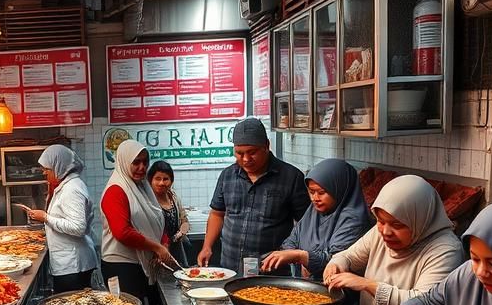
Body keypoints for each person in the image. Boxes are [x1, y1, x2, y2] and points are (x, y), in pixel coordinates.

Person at [324, 174, 465, 305]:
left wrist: (367, 285)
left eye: (397, 225)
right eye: (380, 221)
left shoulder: (446, 250)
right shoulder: (380, 233)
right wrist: (337, 263)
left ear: (420, 219)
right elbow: (349, 256)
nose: (385, 231)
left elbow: (423, 304)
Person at [197, 118, 310, 273]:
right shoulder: (228, 175)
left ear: (267, 146)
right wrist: (207, 246)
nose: (246, 159)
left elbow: (305, 224)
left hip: (270, 271)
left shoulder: (291, 178)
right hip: (230, 268)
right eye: (239, 153)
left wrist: (303, 259)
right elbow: (217, 213)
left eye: (252, 152)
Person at [262, 158, 369, 278]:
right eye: (311, 192)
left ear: (339, 189)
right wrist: (297, 256)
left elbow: (336, 261)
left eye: (321, 192)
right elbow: (292, 240)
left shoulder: (353, 220)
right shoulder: (314, 211)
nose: (315, 198)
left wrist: (302, 257)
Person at [100, 140, 172, 301]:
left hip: (143, 263)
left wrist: (164, 244)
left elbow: (157, 220)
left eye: (145, 162)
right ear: (124, 161)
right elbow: (122, 233)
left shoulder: (142, 187)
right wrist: (157, 247)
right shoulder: (116, 190)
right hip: (121, 266)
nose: (142, 167)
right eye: (136, 162)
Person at [21, 145, 97, 293]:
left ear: (59, 166)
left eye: (47, 169)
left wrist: (46, 218)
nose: (44, 172)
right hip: (68, 263)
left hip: (74, 266)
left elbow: (78, 227)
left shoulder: (72, 189)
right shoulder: (66, 185)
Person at [148, 161, 191, 267]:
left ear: (171, 181)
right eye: (157, 179)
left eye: (165, 179)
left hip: (177, 250)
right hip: (157, 252)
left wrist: (181, 232)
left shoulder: (173, 197)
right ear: (150, 181)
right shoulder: (148, 202)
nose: (162, 183)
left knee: (182, 279)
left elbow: (184, 219)